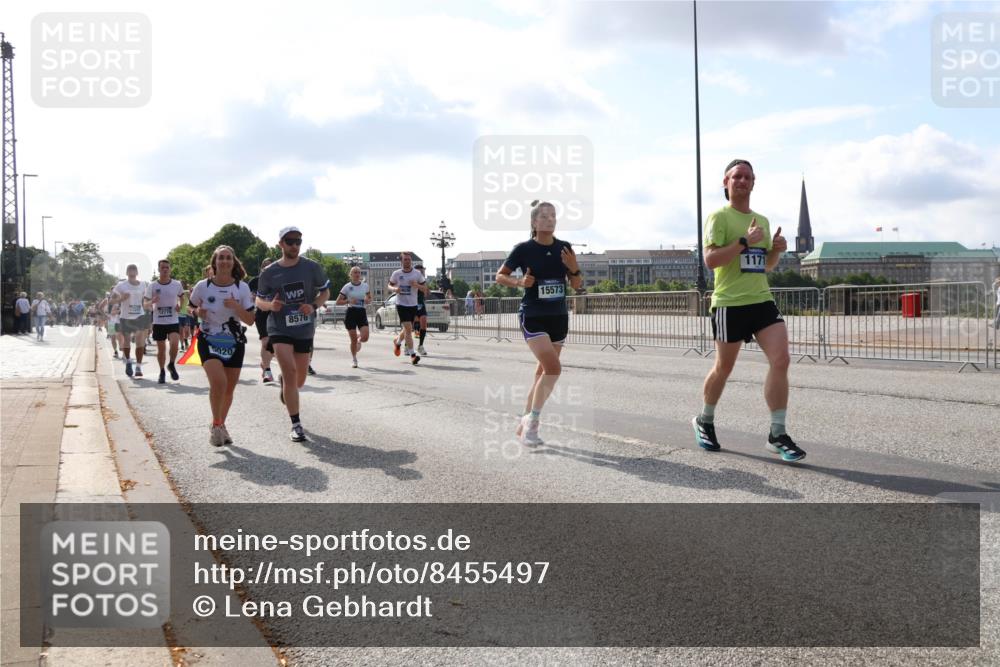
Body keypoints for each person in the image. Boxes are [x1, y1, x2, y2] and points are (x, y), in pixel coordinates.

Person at [692, 159, 805, 463]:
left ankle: (777, 433)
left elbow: (765, 265)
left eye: (748, 177)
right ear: (726, 183)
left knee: (781, 359)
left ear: (754, 183)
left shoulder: (762, 221)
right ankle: (704, 419)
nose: (742, 181)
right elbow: (711, 261)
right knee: (724, 368)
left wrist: (776, 250)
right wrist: (743, 241)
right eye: (737, 176)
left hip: (761, 300)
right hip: (729, 303)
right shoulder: (719, 217)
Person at [495, 200, 583, 445]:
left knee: (543, 372)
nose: (550, 220)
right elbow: (500, 276)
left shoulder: (564, 248)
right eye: (544, 216)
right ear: (534, 222)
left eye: (553, 215)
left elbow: (576, 285)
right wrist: (519, 282)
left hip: (558, 316)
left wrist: (574, 268)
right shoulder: (523, 249)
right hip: (533, 315)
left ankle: (524, 421)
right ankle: (532, 425)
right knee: (553, 369)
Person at [255, 226, 330, 442]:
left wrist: (313, 305)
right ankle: (296, 424)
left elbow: (325, 292)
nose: (295, 245)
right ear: (281, 244)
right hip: (279, 328)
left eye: (298, 241)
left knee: (299, 380)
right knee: (290, 373)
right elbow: (258, 300)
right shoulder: (269, 272)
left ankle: (285, 384)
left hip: (304, 328)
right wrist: (271, 306)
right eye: (290, 241)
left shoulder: (311, 267)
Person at [188, 245, 256, 447]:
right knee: (219, 383)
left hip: (234, 341)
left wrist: (236, 306)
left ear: (233, 262)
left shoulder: (242, 288)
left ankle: (219, 424)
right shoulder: (203, 286)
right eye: (221, 258)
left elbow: (250, 320)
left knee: (228, 389)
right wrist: (197, 312)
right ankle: (217, 426)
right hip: (209, 338)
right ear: (214, 262)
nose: (225, 261)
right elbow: (189, 307)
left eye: (228, 258)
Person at [144, 259, 185, 384]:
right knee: (161, 350)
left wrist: (180, 305)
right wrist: (152, 302)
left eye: (167, 267)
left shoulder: (177, 284)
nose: (165, 269)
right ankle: (162, 371)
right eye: (163, 267)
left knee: (174, 344)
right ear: (159, 269)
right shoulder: (152, 286)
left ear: (170, 269)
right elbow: (145, 304)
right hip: (159, 322)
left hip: (173, 320)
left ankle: (171, 364)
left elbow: (182, 297)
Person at [111, 265, 151, 378]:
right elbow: (111, 300)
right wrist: (121, 299)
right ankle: (128, 361)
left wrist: (151, 303)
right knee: (127, 340)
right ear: (127, 272)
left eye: (134, 270)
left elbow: (145, 301)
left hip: (139, 316)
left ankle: (138, 367)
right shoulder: (121, 285)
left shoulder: (143, 285)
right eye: (130, 270)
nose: (132, 271)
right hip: (125, 317)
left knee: (140, 341)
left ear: (137, 272)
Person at [388, 252, 426, 365]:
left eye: (409, 259)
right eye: (405, 259)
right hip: (401, 305)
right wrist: (394, 289)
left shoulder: (417, 274)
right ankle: (413, 356)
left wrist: (417, 285)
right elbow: (389, 285)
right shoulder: (396, 273)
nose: (407, 261)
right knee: (409, 329)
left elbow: (425, 288)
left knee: (407, 329)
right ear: (401, 261)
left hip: (413, 305)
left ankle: (397, 342)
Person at [336, 265, 371, 368]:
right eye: (355, 272)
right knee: (353, 340)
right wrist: (349, 300)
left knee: (365, 337)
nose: (357, 274)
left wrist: (367, 300)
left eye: (359, 272)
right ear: (350, 275)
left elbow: (369, 298)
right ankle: (354, 359)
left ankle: (359, 339)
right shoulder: (347, 287)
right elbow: (338, 302)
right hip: (351, 312)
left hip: (361, 312)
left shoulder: (365, 286)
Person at [247, 258, 276, 383]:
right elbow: (246, 299)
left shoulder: (279, 280)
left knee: (274, 345)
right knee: (265, 342)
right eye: (266, 267)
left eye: (271, 266)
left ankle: (265, 363)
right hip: (261, 314)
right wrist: (252, 298)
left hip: (276, 314)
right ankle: (267, 371)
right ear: (262, 268)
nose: (268, 269)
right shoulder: (254, 282)